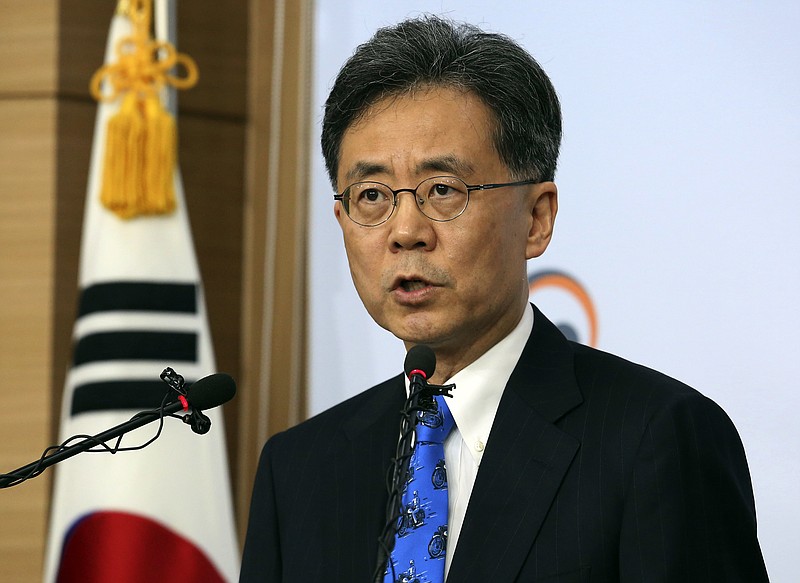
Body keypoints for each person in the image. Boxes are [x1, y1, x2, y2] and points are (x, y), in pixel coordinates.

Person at [240, 15, 769, 582]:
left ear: (536, 219)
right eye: (371, 195)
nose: (405, 231)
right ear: (342, 219)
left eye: (442, 190)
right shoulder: (300, 469)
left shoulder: (655, 438)